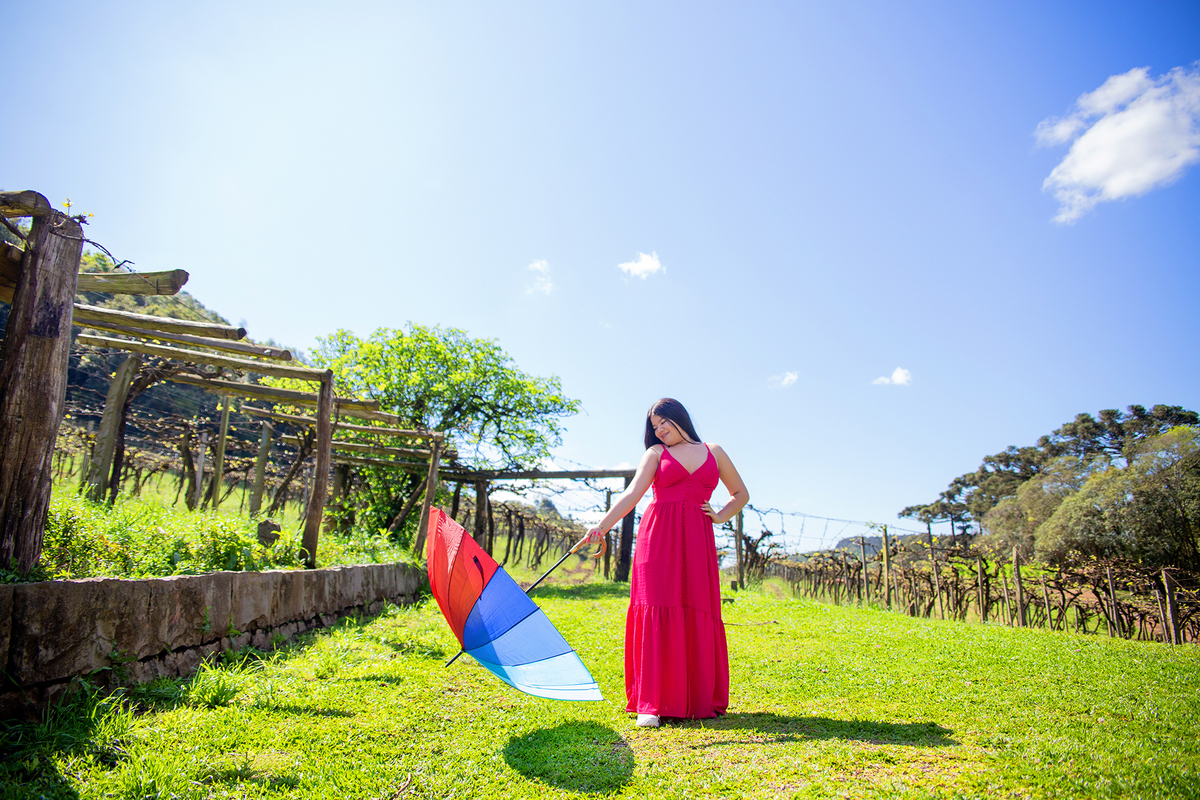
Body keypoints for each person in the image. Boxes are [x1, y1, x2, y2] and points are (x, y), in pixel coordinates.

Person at [582, 398, 749, 728]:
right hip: (659, 537)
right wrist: (601, 527)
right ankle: (652, 703)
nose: (659, 430)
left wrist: (718, 517)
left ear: (679, 418)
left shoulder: (714, 451)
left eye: (663, 423)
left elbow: (740, 493)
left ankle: (697, 697)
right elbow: (632, 494)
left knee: (697, 607)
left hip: (699, 539)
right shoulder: (655, 454)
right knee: (658, 606)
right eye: (654, 427)